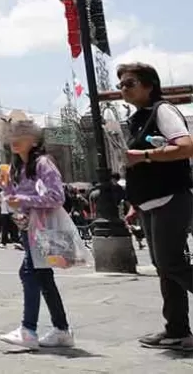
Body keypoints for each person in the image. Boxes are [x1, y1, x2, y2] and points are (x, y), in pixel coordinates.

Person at [117, 62, 193, 351]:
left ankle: (177, 330)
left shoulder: (163, 110)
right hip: (150, 202)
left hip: (171, 198)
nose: (123, 89)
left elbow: (186, 147)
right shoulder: (138, 118)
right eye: (121, 84)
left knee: (172, 263)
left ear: (149, 85)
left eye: (130, 83)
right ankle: (177, 331)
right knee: (165, 268)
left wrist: (145, 155)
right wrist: (136, 203)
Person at [0, 119, 74, 349]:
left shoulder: (43, 163)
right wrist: (7, 187)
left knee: (31, 272)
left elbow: (56, 197)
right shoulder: (18, 168)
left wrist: (22, 199)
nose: (14, 138)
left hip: (44, 226)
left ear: (34, 139)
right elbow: (15, 202)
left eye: (20, 133)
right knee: (42, 276)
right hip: (30, 227)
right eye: (11, 133)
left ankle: (28, 329)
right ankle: (61, 329)